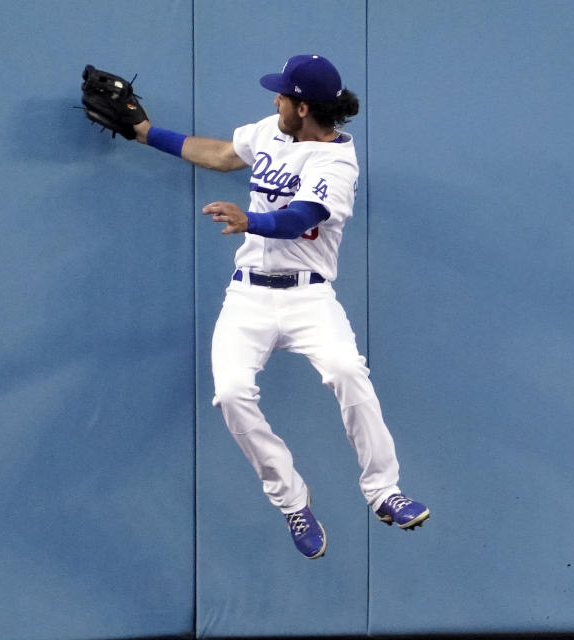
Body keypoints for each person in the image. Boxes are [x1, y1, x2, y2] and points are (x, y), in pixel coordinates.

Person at [132, 54, 428, 559]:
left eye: (282, 95)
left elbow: (300, 217)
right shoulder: (274, 129)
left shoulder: (337, 162)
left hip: (309, 297)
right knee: (230, 394)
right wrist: (144, 132)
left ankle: (384, 491)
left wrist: (251, 221)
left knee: (347, 371)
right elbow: (224, 154)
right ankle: (292, 500)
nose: (274, 100)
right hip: (248, 294)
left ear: (304, 106)